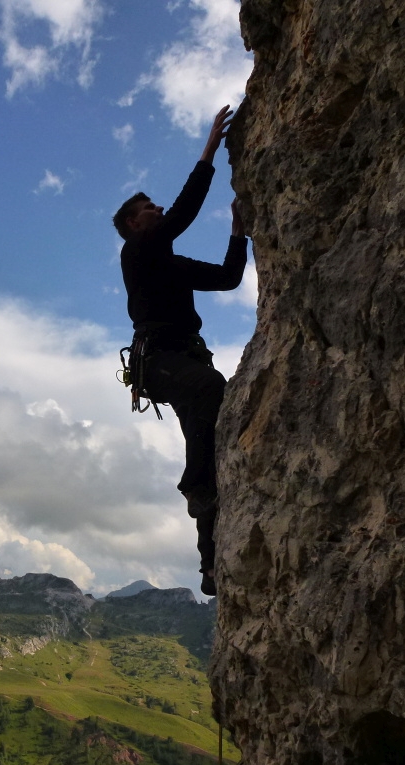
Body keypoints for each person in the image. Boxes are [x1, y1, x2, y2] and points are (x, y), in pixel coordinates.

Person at [112, 105, 248, 597]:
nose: (159, 210)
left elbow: (229, 278)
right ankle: (196, 484)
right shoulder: (138, 253)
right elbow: (186, 210)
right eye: (149, 209)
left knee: (207, 434)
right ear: (132, 224)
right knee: (211, 390)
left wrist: (238, 232)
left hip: (181, 360)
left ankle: (209, 564)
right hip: (163, 363)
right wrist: (209, 149)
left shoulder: (166, 261)